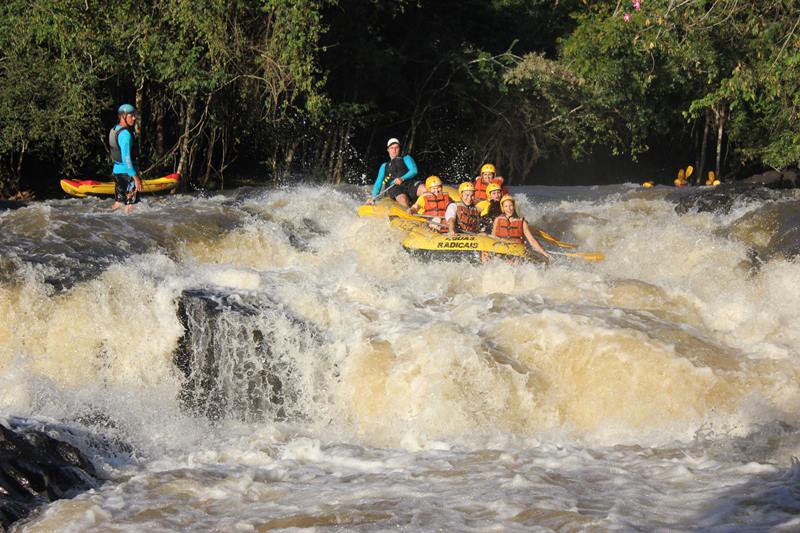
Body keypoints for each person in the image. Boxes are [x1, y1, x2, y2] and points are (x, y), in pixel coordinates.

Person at [368, 138, 424, 208]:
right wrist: (373, 198)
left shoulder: (406, 158)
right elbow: (378, 183)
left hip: (410, 184)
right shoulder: (384, 166)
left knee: (423, 189)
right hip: (396, 188)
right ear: (388, 150)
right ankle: (408, 215)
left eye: (396, 148)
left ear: (399, 149)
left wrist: (402, 178)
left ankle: (431, 209)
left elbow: (414, 171)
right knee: (403, 199)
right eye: (391, 148)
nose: (394, 150)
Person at [492, 195, 550, 259]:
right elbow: (492, 237)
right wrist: (485, 252)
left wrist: (544, 252)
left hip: (516, 252)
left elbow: (531, 240)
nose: (509, 209)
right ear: (502, 208)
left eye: (511, 206)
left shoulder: (523, 222)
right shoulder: (497, 220)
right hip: (502, 251)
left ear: (514, 206)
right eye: (506, 206)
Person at [109, 103, 143, 213]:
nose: (134, 118)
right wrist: (135, 178)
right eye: (131, 115)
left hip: (117, 174)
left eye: (134, 115)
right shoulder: (126, 135)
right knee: (131, 209)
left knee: (118, 205)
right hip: (128, 176)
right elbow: (126, 158)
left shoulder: (114, 130)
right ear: (123, 116)